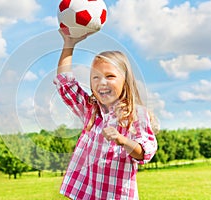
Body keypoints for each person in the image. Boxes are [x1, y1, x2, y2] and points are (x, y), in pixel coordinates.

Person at [54, 30, 158, 200]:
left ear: (125, 80)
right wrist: (69, 45)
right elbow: (64, 82)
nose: (102, 82)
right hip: (87, 194)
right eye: (96, 77)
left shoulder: (136, 114)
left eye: (110, 76)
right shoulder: (90, 110)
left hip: (116, 195)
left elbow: (145, 152)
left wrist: (122, 140)